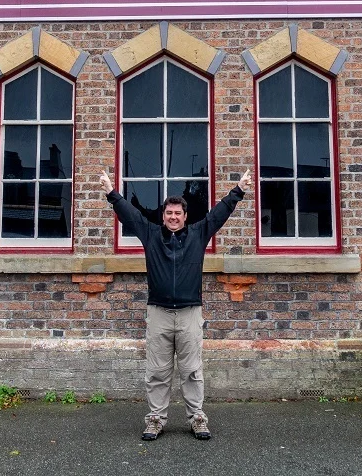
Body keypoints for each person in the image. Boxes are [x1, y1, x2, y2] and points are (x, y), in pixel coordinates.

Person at [98, 168, 252, 442]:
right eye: (168, 213)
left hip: (190, 314)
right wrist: (112, 193)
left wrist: (237, 190)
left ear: (184, 216)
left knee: (192, 370)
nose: (172, 217)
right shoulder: (151, 235)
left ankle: (197, 418)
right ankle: (155, 419)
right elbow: (130, 215)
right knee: (157, 371)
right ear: (163, 216)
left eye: (177, 213)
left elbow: (218, 215)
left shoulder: (198, 234)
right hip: (158, 313)